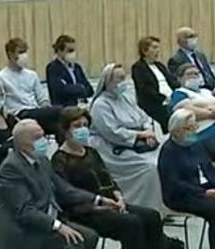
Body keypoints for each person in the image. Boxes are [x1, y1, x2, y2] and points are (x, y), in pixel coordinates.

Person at [49, 108, 169, 249]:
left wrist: (119, 198)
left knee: (151, 216)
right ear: (65, 129)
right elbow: (68, 195)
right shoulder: (59, 159)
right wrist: (100, 206)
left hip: (110, 203)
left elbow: (108, 179)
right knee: (132, 223)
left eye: (85, 125)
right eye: (77, 126)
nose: (83, 129)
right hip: (86, 211)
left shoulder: (91, 152)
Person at [0, 119, 107, 249]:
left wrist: (97, 199)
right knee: (74, 244)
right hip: (26, 230)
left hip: (48, 218)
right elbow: (24, 211)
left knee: (90, 236)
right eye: (37, 138)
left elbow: (63, 188)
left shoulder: (42, 159)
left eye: (43, 136)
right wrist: (58, 226)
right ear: (22, 143)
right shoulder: (11, 169)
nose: (43, 141)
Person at [160, 109, 215, 249]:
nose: (194, 131)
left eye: (195, 126)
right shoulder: (168, 151)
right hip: (183, 196)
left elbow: (209, 168)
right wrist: (203, 193)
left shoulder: (197, 144)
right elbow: (174, 183)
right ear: (176, 131)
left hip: (208, 189)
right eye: (189, 128)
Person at [87, 64, 166, 211]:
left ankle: (165, 204)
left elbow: (144, 118)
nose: (124, 81)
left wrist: (148, 131)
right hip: (113, 148)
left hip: (139, 143)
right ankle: (148, 208)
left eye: (124, 77)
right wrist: (140, 135)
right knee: (150, 167)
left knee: (166, 158)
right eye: (120, 78)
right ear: (108, 81)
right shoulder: (100, 105)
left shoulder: (126, 98)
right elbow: (112, 132)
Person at [167, 62, 215, 161]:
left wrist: (209, 108)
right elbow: (188, 112)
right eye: (190, 74)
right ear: (179, 78)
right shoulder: (179, 93)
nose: (194, 76)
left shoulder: (206, 92)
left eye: (197, 74)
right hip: (203, 135)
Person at [0, 38, 56, 127]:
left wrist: (46, 107)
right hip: (18, 114)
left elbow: (42, 99)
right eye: (20, 52)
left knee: (61, 116)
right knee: (57, 112)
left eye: (25, 52)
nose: (24, 55)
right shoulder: (0, 78)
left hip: (35, 111)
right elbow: (2, 105)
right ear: (10, 54)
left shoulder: (32, 75)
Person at [130, 36, 175, 132]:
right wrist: (164, 98)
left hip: (171, 99)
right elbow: (145, 89)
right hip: (155, 103)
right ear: (144, 51)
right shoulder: (138, 68)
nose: (157, 51)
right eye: (154, 48)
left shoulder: (160, 66)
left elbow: (172, 82)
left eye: (158, 47)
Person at [45, 35, 94, 108]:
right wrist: (81, 87)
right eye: (70, 51)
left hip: (83, 105)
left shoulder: (77, 67)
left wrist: (73, 88)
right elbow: (60, 91)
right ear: (59, 51)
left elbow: (90, 90)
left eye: (74, 50)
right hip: (64, 108)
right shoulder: (53, 68)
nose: (73, 53)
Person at [168, 26, 215, 91]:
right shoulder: (175, 60)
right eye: (190, 36)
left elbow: (210, 74)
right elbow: (176, 83)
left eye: (195, 36)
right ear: (180, 41)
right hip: (195, 91)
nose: (193, 39)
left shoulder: (200, 55)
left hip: (211, 89)